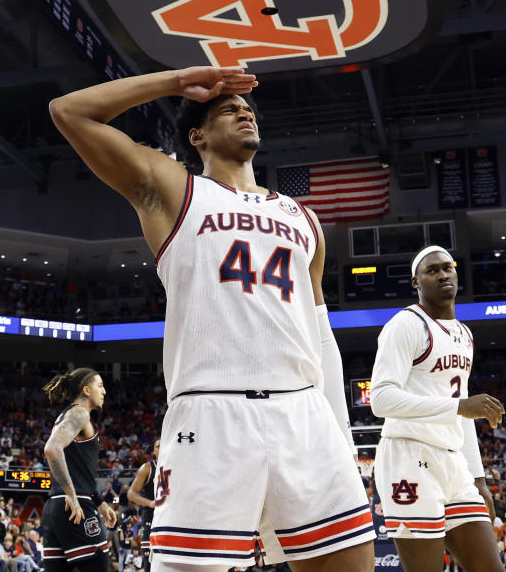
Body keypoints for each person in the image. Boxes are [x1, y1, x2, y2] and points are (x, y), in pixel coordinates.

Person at [49, 69, 374, 571]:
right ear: (196, 135)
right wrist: (178, 83)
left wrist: (341, 437)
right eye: (229, 109)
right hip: (211, 414)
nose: (246, 111)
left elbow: (321, 338)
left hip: (306, 415)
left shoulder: (303, 218)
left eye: (249, 109)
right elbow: (69, 111)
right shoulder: (175, 190)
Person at [370, 246, 506, 572]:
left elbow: (465, 417)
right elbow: (381, 400)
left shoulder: (465, 334)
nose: (443, 274)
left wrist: (479, 479)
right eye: (432, 270)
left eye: (448, 267)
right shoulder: (406, 324)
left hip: (453, 461)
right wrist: (458, 406)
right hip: (408, 456)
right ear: (415, 282)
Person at [40, 368, 117, 572]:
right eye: (99, 386)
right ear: (86, 390)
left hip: (54, 508)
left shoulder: (66, 415)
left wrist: (100, 503)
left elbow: (79, 470)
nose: (104, 391)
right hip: (74, 508)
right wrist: (72, 495)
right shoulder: (80, 413)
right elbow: (52, 449)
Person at [126, 439, 159, 572]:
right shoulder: (147, 468)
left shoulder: (176, 467)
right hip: (151, 516)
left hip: (169, 517)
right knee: (149, 563)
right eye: (158, 446)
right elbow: (131, 494)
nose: (162, 447)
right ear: (153, 451)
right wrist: (150, 503)